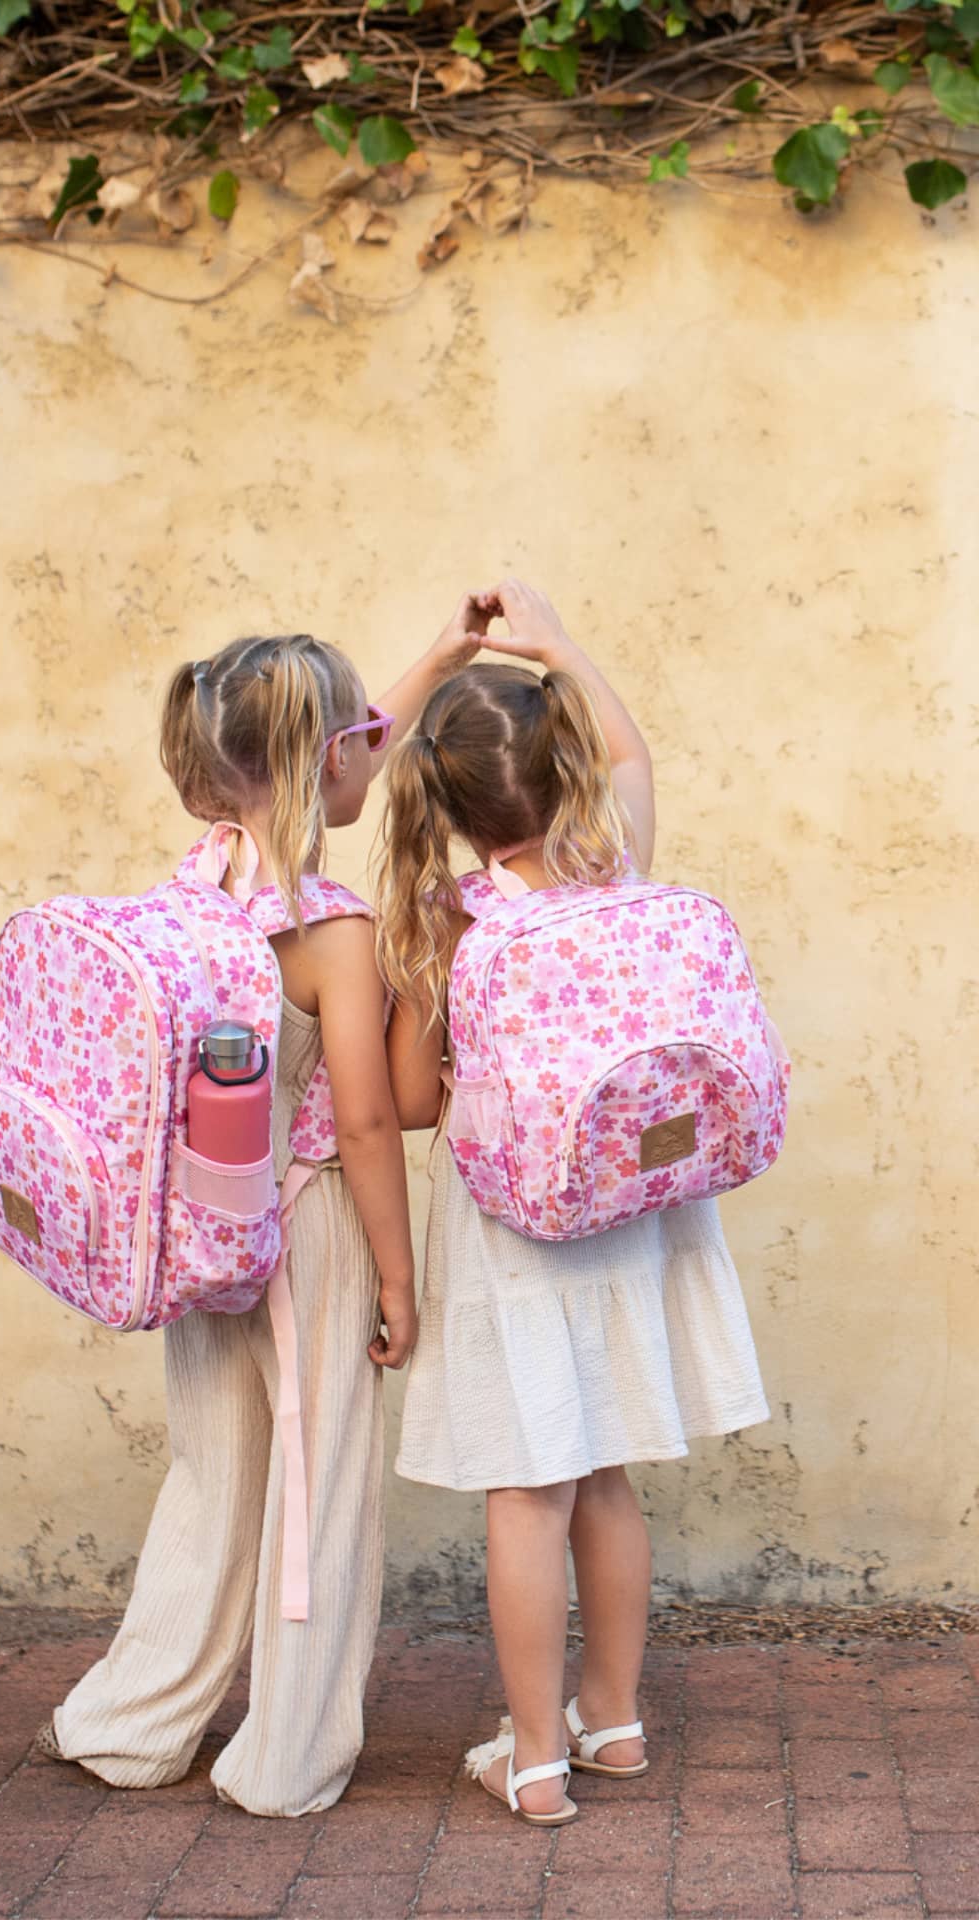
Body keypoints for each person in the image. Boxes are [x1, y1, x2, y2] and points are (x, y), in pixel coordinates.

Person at [42, 614, 486, 1817]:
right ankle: (286, 1755)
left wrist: (438, 657)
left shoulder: (194, 888)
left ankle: (130, 1723)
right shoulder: (332, 933)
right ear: (322, 768)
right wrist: (398, 1279)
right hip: (312, 1240)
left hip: (201, 1231)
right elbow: (364, 1123)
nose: (369, 759)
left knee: (213, 1476)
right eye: (357, 747)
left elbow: (322, 749)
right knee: (319, 1489)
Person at [376, 579, 770, 1826]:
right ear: (563, 767)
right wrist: (550, 638)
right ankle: (614, 1722)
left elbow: (414, 1102)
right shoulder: (617, 862)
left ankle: (533, 1757)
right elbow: (628, 748)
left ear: (446, 803)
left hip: (516, 1241)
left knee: (523, 1488)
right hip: (636, 1216)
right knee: (601, 1475)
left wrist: (435, 655)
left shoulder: (450, 920)